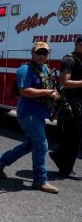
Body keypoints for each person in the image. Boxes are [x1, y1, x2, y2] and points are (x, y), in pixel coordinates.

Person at [0, 41, 60, 194]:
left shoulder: (45, 69)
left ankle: (1, 160)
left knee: (30, 144)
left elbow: (47, 88)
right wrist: (47, 92)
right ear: (32, 53)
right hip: (28, 114)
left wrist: (54, 95)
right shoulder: (25, 69)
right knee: (42, 146)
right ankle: (40, 181)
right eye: (39, 52)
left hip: (39, 114)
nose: (42, 56)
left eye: (45, 53)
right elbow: (24, 91)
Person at [49, 36, 82, 181]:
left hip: (79, 103)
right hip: (70, 104)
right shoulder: (69, 60)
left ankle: (57, 155)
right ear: (76, 44)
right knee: (74, 138)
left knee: (74, 137)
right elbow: (65, 83)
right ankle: (65, 170)